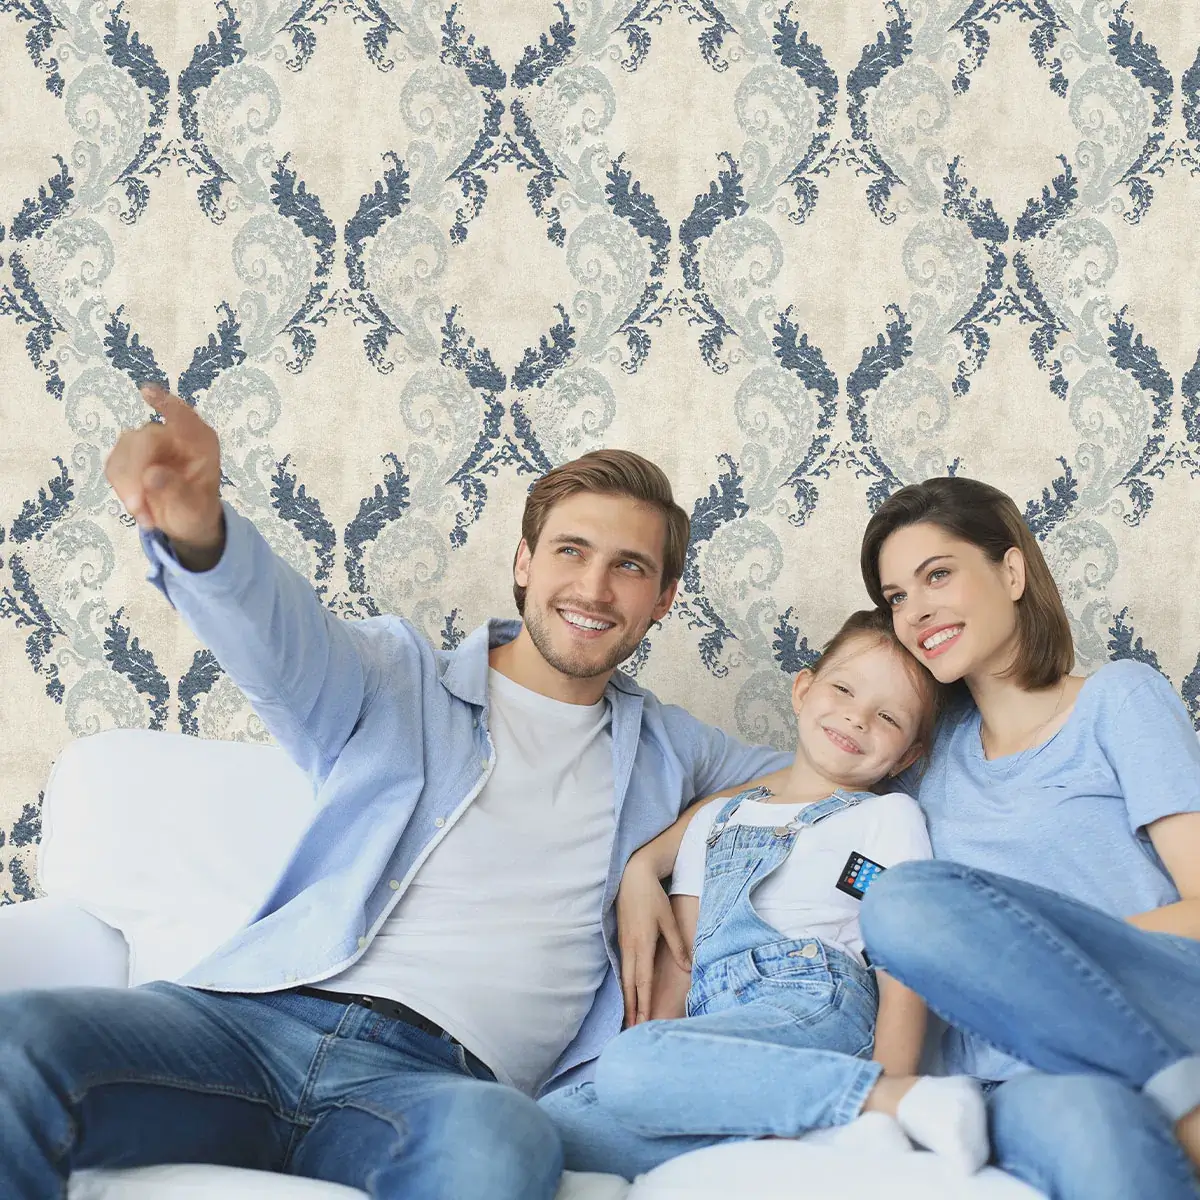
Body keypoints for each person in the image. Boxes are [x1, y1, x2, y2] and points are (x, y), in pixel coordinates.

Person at [0, 386, 791, 1200]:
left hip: (435, 1088)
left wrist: (653, 858)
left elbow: (823, 778)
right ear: (524, 563)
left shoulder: (672, 751)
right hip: (250, 1027)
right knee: (17, 1039)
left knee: (503, 1149)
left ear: (663, 599)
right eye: (571, 551)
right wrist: (203, 534)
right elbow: (279, 639)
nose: (593, 589)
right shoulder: (395, 675)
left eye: (629, 566)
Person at [542, 608, 992, 1178]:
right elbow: (683, 960)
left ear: (907, 756)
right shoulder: (714, 821)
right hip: (717, 1028)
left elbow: (900, 967)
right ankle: (802, 1132)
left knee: (629, 1067)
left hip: (812, 1004)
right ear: (803, 690)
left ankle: (876, 1104)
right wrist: (657, 1063)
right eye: (844, 690)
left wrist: (896, 1089)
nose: (856, 718)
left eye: (887, 717)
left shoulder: (884, 818)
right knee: (548, 1127)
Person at [853, 476, 1200, 1200]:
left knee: (909, 901)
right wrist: (652, 858)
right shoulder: (923, 758)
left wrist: (1032, 959)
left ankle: (1178, 1093)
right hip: (1014, 1075)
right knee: (1093, 1132)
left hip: (1160, 1006)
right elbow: (796, 774)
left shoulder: (1118, 699)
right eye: (896, 598)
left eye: (937, 575)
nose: (915, 612)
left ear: (1011, 572)